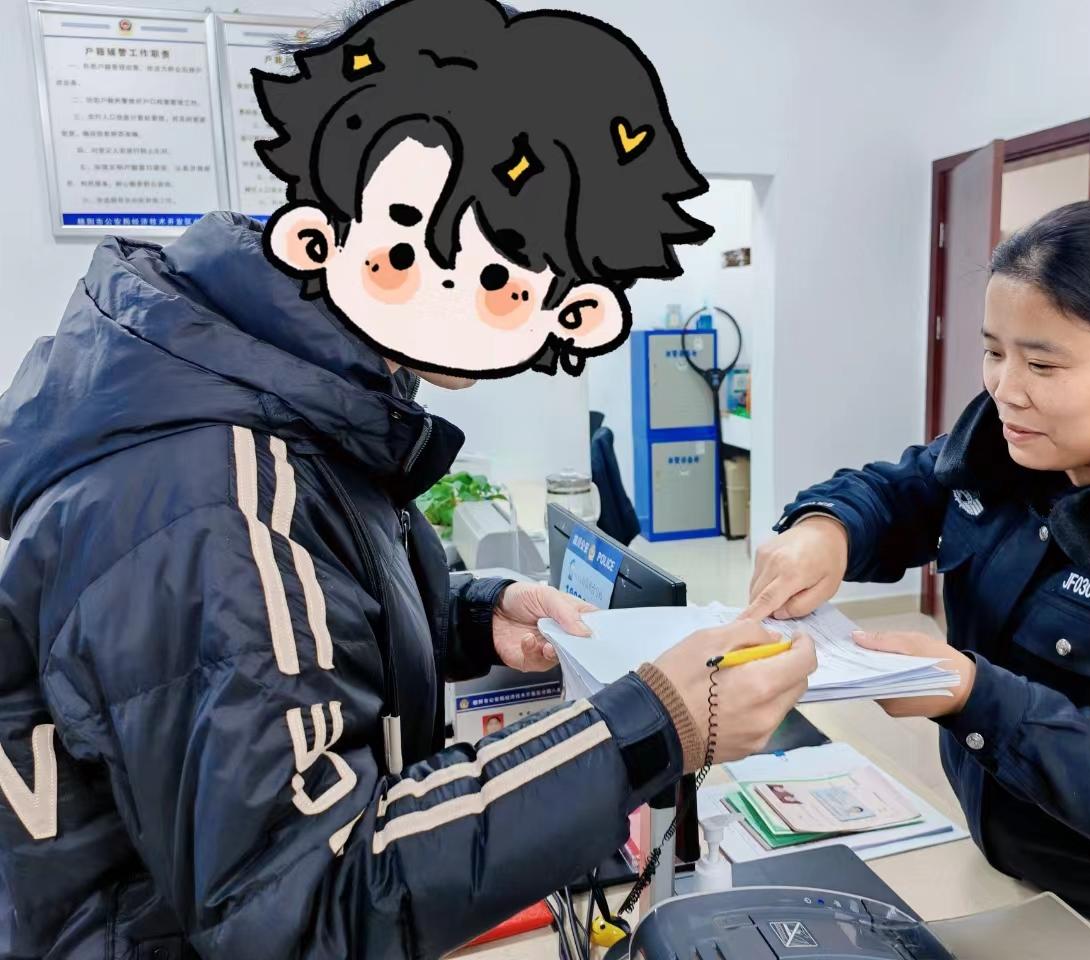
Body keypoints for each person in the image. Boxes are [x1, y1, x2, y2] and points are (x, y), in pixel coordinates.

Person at [0, 1, 816, 957]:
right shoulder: (214, 497)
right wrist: (651, 727)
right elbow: (306, 904)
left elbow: (294, 633)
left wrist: (465, 619)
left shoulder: (292, 394)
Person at [746, 199, 1090, 960]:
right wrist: (826, 527)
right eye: (993, 351)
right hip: (1003, 859)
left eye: (1043, 364)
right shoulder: (1020, 439)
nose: (1006, 388)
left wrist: (973, 695)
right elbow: (909, 489)